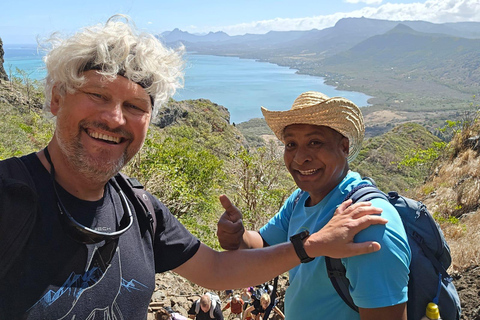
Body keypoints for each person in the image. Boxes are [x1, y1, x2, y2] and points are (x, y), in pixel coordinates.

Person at [0, 15, 389, 320]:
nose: (116, 119)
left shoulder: (141, 211)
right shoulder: (9, 197)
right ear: (55, 98)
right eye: (97, 95)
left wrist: (312, 246)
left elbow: (218, 269)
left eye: (135, 106)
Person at [217, 91, 412, 320]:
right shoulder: (301, 199)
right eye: (291, 144)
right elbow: (262, 245)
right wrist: (237, 237)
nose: (300, 158)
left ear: (344, 147)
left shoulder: (368, 222)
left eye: (315, 142)